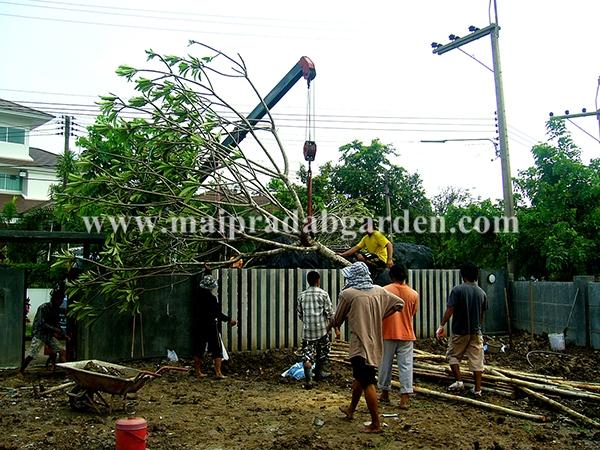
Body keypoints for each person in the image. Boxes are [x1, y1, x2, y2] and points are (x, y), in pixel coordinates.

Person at [328, 262, 404, 433]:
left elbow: (338, 319)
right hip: (375, 343)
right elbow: (399, 304)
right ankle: (351, 410)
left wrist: (328, 325)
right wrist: (380, 315)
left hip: (359, 345)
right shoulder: (379, 291)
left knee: (367, 382)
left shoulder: (348, 294)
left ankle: (376, 424)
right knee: (359, 379)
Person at [436, 261, 487, 396]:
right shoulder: (482, 293)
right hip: (476, 332)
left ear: (462, 275)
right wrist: (478, 327)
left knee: (453, 355)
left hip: (460, 331)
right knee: (477, 361)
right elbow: (482, 315)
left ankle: (459, 381)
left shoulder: (458, 290)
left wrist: (442, 325)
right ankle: (478, 389)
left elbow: (450, 309)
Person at [378, 263, 419, 409]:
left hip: (387, 332)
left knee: (385, 364)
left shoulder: (384, 291)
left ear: (391, 275)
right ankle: (405, 398)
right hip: (407, 333)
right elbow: (412, 313)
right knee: (406, 366)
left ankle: (384, 393)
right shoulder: (414, 294)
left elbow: (380, 311)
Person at [297, 270, 338, 389]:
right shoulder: (323, 294)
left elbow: (300, 314)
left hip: (307, 331)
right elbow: (330, 313)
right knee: (323, 352)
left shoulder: (302, 295)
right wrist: (335, 328)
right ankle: (319, 374)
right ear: (318, 280)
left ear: (308, 281)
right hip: (321, 330)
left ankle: (309, 380)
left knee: (307, 355)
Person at [191, 272, 237, 379]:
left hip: (198, 325)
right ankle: (218, 373)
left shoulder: (197, 296)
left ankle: (197, 372)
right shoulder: (211, 299)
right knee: (216, 349)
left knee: (199, 349)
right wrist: (229, 319)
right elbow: (217, 313)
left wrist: (207, 271)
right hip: (210, 325)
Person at [20, 288, 66, 374]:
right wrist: (55, 329)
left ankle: (63, 370)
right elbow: (42, 323)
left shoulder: (55, 309)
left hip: (48, 334)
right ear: (55, 299)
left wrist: (62, 333)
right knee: (32, 354)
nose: (61, 301)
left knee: (59, 350)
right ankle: (21, 371)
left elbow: (56, 322)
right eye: (60, 299)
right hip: (39, 334)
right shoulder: (43, 307)